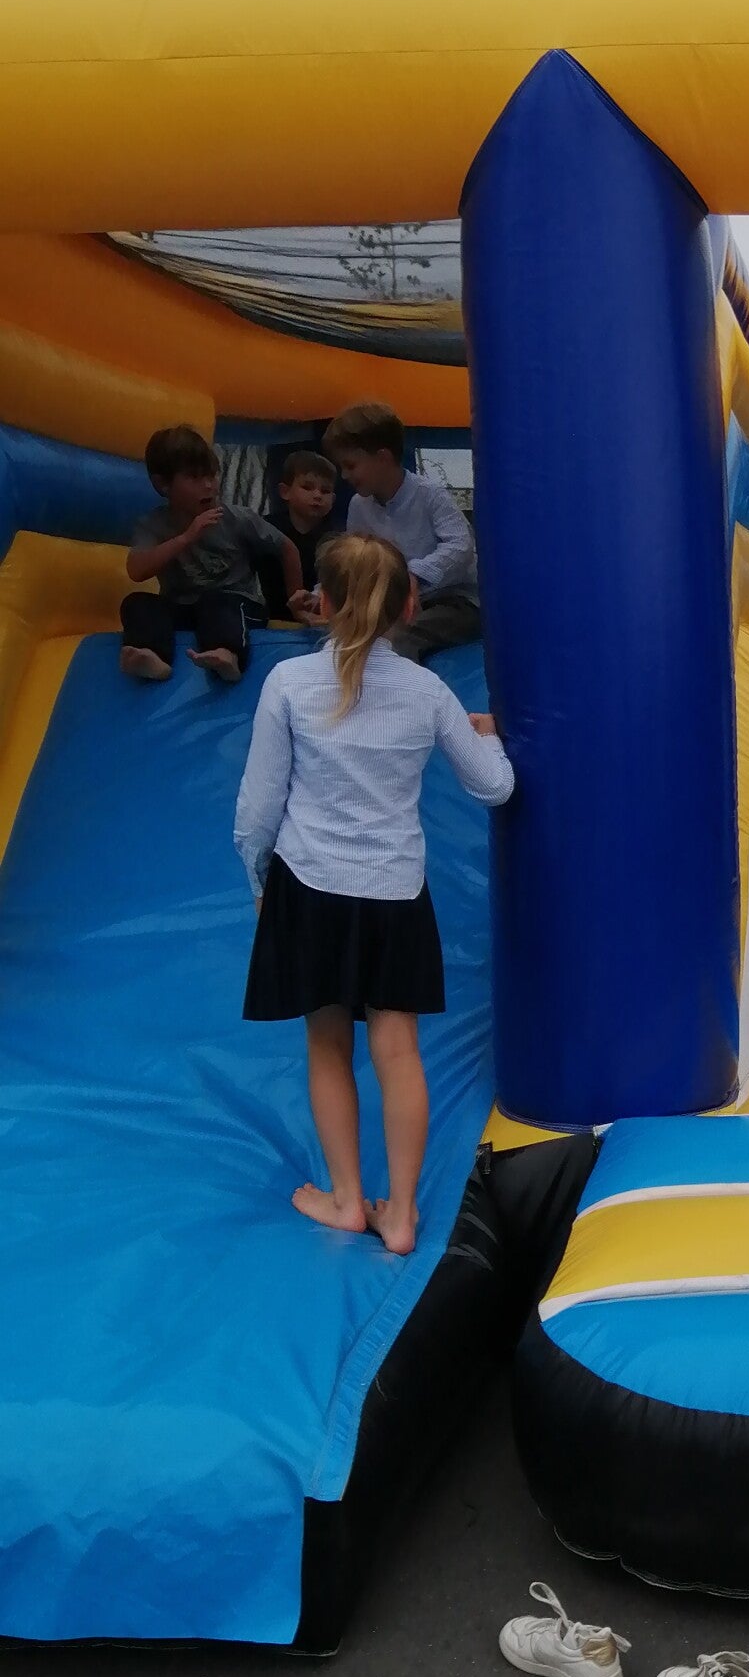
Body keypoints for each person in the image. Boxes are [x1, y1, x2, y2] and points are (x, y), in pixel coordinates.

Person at [234, 533, 515, 1256]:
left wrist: (259, 882)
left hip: (310, 885)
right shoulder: (427, 692)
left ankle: (347, 1199)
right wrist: (495, 734)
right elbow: (494, 787)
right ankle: (402, 1216)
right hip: (394, 889)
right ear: (409, 605)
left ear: (322, 601)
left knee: (328, 1045)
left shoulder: (290, 683)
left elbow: (257, 810)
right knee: (398, 1049)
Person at [121, 424, 305, 684]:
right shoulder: (154, 524)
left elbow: (287, 548)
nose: (209, 486)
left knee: (217, 601)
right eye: (195, 478)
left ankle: (228, 654)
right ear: (163, 484)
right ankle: (152, 656)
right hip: (185, 608)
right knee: (137, 602)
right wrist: (186, 537)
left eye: (212, 476)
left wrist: (296, 601)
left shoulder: (237, 518)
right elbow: (136, 570)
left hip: (238, 606)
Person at [325, 400, 481, 663]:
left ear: (383, 458)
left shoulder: (429, 494)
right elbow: (354, 560)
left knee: (401, 637)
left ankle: (403, 686)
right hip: (397, 604)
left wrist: (414, 575)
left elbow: (461, 545)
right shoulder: (359, 506)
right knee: (356, 632)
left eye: (350, 466)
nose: (344, 475)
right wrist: (321, 591)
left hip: (455, 600)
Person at [260, 447, 338, 621]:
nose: (317, 495)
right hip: (272, 619)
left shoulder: (335, 538)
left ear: (333, 500)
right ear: (285, 492)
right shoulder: (267, 529)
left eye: (325, 491)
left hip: (319, 619)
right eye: (307, 487)